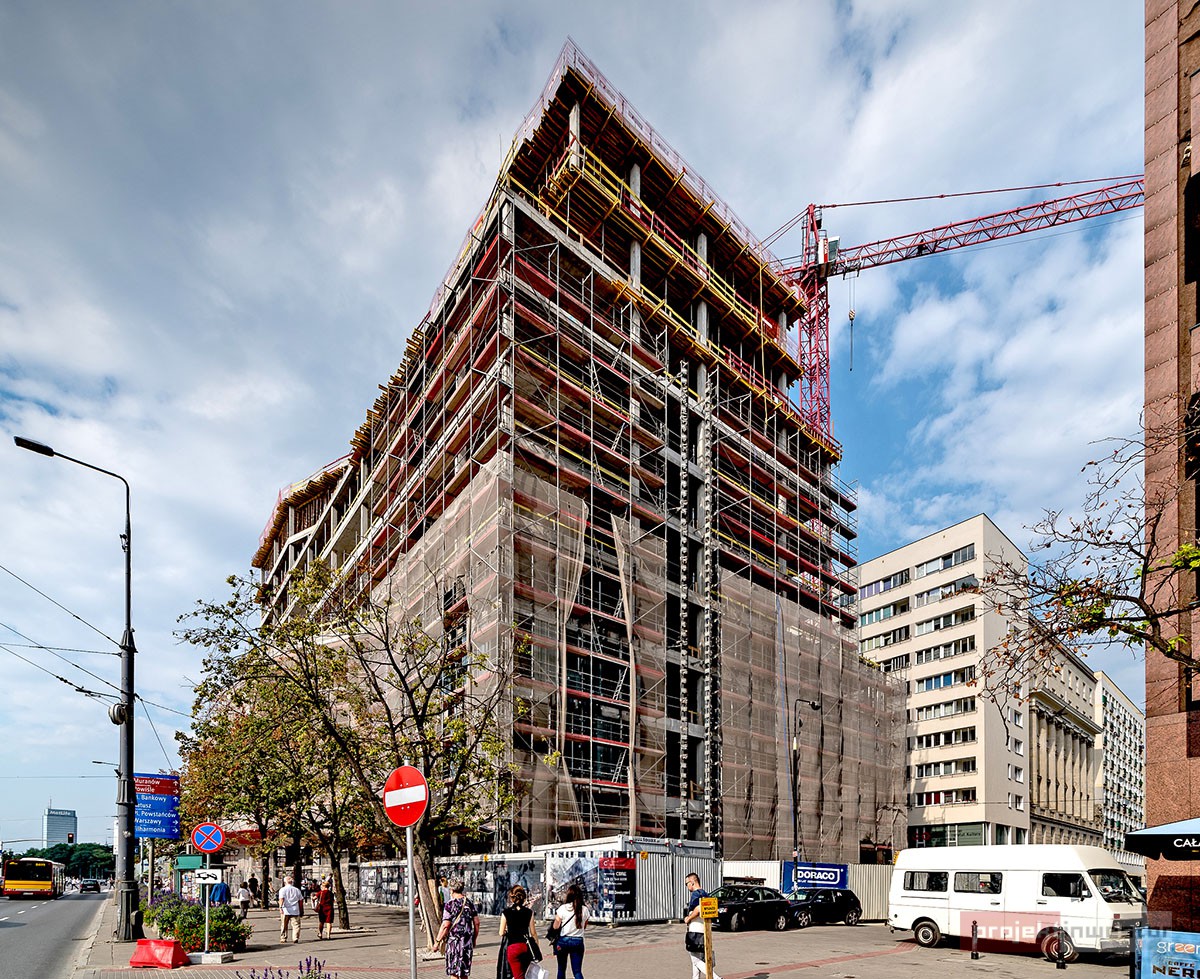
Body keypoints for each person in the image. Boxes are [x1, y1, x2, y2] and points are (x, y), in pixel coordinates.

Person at [435, 876, 480, 979]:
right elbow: (477, 922)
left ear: (451, 890)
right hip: (466, 942)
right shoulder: (469, 903)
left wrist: (437, 942)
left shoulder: (450, 904)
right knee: (464, 973)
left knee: (454, 973)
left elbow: (445, 925)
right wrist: (474, 939)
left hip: (453, 943)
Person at [683, 873, 721, 979]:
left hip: (695, 929)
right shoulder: (705, 893)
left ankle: (716, 978)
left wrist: (688, 918)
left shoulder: (695, 894)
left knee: (695, 960)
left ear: (692, 882)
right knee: (697, 959)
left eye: (686, 884)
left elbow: (699, 908)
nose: (687, 886)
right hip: (704, 928)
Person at [498, 884, 537, 979]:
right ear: (523, 898)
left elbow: (501, 932)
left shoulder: (506, 913)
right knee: (523, 973)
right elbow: (533, 933)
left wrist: (507, 931)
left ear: (512, 898)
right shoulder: (529, 912)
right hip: (525, 947)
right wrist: (536, 947)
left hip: (513, 948)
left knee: (518, 975)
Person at [551, 883, 589, 979]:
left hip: (563, 941)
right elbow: (584, 927)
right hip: (578, 941)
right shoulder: (584, 910)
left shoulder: (562, 908)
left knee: (561, 969)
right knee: (577, 971)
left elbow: (555, 926)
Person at [278, 875, 305, 943]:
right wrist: (301, 910)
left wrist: (280, 907)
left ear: (284, 882)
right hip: (295, 910)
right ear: (291, 882)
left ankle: (283, 937)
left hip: (285, 910)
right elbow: (300, 900)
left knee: (284, 924)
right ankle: (295, 937)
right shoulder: (297, 890)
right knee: (296, 925)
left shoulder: (282, 890)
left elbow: (281, 899)